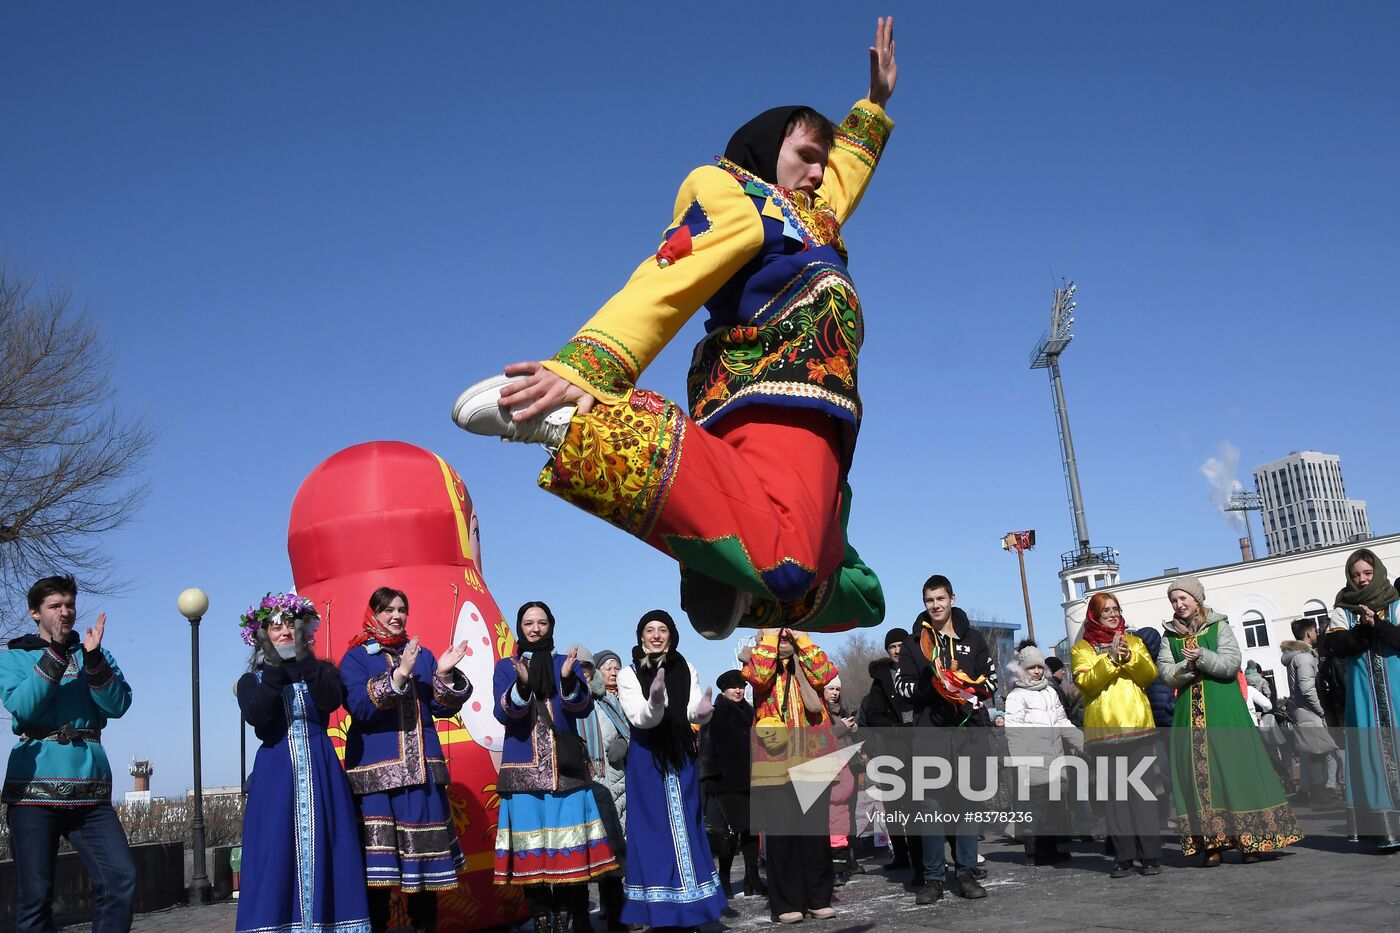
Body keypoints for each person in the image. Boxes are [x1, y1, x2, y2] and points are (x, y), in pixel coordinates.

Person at [451, 19, 899, 641]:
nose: (820, 174)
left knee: (860, 597)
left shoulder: (813, 217)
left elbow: (844, 173)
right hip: (769, 388)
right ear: (766, 151)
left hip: (828, 405)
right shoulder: (741, 194)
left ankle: (731, 566)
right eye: (805, 157)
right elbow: (671, 277)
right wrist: (586, 366)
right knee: (791, 566)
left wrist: (874, 106)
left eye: (824, 164)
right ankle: (588, 428)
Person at [0, 575, 136, 933]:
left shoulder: (95, 653)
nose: (65, 612)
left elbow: (118, 704)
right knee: (35, 898)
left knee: (120, 879)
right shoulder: (13, 657)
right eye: (55, 606)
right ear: (35, 613)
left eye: (69, 605)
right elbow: (24, 707)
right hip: (33, 792)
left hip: (90, 791)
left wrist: (91, 660)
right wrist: (57, 653)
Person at [234, 592, 370, 933]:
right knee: (274, 853)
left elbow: (331, 701)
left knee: (330, 849)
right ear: (261, 635)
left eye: (290, 625)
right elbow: (258, 718)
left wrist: (305, 660)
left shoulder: (321, 671)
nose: (283, 633)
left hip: (321, 769)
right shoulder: (252, 681)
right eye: (275, 627)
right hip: (275, 776)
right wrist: (276, 670)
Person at [340, 588, 471, 932]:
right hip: (376, 780)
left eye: (401, 610)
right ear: (373, 613)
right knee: (377, 876)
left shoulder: (422, 654)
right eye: (388, 610)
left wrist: (443, 673)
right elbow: (360, 707)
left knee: (426, 871)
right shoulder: (356, 657)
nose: (396, 616)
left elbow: (443, 706)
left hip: (422, 775)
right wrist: (399, 675)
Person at [1155, 576, 1301, 865]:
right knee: (1198, 775)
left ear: (1197, 599)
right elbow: (1166, 672)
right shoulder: (1168, 636)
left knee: (1236, 769)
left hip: (1224, 708)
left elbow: (1231, 663)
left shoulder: (1218, 626)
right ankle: (1212, 845)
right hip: (1188, 713)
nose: (1178, 604)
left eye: (1183, 598)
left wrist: (1203, 656)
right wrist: (1188, 664)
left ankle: (1251, 841)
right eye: (1174, 600)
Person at [493, 603, 619, 933]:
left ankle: (570, 913)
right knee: (529, 849)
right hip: (522, 773)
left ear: (551, 625)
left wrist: (566, 681)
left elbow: (582, 707)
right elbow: (504, 714)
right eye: (528, 622)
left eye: (542, 622)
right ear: (520, 627)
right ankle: (539, 915)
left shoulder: (566, 663)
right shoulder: (507, 666)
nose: (535, 628)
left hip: (566, 772)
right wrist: (521, 685)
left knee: (570, 850)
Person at [616, 610, 727, 931]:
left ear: (671, 635)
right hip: (648, 759)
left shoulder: (685, 667)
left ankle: (694, 906)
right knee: (654, 833)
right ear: (640, 636)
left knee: (689, 828)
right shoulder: (627, 673)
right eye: (649, 630)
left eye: (662, 629)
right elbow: (640, 718)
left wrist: (703, 712)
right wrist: (655, 700)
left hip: (681, 756)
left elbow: (692, 708)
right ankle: (661, 911)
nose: (655, 635)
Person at [893, 575, 995, 904]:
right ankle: (934, 878)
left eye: (940, 598)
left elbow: (991, 682)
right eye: (929, 600)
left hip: (969, 733)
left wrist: (964, 686)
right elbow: (902, 690)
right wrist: (931, 682)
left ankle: (965, 873)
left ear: (952, 598)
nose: (935, 605)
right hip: (930, 736)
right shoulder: (914, 644)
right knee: (931, 807)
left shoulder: (974, 639)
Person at [743, 627, 840, 922]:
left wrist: (802, 638)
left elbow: (826, 675)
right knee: (782, 833)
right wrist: (770, 638)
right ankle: (786, 902)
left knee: (815, 831)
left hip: (813, 754)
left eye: (788, 627)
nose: (784, 632)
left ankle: (818, 896)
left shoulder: (809, 655)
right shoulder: (756, 656)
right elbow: (758, 676)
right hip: (774, 757)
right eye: (778, 626)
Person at [1071, 593, 1161, 878]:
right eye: (1105, 610)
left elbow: (1149, 675)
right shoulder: (1082, 648)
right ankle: (1124, 857)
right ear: (1094, 615)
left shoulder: (1134, 642)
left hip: (1139, 727)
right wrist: (1109, 659)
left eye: (1115, 609)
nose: (1111, 614)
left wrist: (1130, 657)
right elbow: (1085, 683)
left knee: (1143, 796)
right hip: (1104, 732)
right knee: (1116, 799)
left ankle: (1150, 857)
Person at [1323, 548, 1400, 850]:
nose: (1362, 579)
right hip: (1363, 691)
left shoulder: (1395, 602)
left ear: (1377, 571)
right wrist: (1361, 632)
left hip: (1396, 689)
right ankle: (1385, 829)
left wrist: (1377, 625)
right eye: (1356, 575)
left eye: (1367, 573)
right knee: (1371, 753)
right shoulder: (1343, 608)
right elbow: (1333, 644)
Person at [1004, 641, 1081, 867]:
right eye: (1031, 668)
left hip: (1054, 755)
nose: (1036, 671)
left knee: (1053, 807)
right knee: (1034, 808)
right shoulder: (1017, 696)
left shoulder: (1050, 692)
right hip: (1032, 758)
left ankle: (1050, 850)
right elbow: (1014, 731)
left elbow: (1062, 722)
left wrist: (1084, 742)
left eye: (1039, 667)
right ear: (1022, 670)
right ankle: (1033, 851)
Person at [859, 626, 924, 884]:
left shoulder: (918, 669)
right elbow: (872, 714)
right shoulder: (881, 679)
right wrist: (896, 728)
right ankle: (901, 854)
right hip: (892, 750)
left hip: (919, 748)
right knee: (895, 808)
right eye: (892, 647)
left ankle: (922, 865)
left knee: (917, 809)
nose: (897, 650)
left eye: (900, 645)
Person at [576, 647, 630, 931]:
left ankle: (616, 912)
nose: (584, 671)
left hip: (615, 780)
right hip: (582, 782)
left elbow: (626, 728)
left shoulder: (607, 699)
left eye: (587, 666)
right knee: (583, 851)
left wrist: (623, 743)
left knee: (614, 849)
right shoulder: (566, 702)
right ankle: (582, 914)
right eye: (579, 666)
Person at [699, 669, 764, 900]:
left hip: (751, 778)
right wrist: (709, 780)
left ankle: (752, 877)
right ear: (723, 690)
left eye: (741, 686)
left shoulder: (751, 712)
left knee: (751, 830)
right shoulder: (715, 713)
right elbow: (706, 748)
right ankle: (724, 878)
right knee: (729, 834)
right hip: (726, 782)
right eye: (733, 687)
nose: (738, 690)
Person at [1281, 618, 1342, 807]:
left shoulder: (1297, 656)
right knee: (1317, 754)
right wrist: (1321, 710)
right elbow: (1307, 688)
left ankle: (1321, 793)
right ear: (1308, 633)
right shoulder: (1305, 657)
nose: (1317, 634)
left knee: (1319, 752)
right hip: (1310, 712)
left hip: (1303, 712)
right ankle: (1319, 796)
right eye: (1315, 631)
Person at [822, 677, 860, 885]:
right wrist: (840, 729)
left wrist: (853, 729)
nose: (835, 693)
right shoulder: (820, 713)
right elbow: (820, 740)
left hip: (849, 766)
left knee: (848, 816)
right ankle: (836, 864)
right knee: (833, 816)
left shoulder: (843, 712)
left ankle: (848, 860)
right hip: (830, 769)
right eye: (831, 689)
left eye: (837, 689)